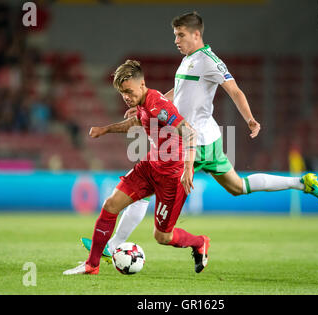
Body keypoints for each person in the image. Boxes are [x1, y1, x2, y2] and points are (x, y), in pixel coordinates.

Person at [82, 11, 318, 262]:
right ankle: (300, 183)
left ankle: (113, 245)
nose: (176, 40)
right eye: (175, 35)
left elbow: (234, 90)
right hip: (207, 140)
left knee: (145, 189)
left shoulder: (209, 61)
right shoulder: (188, 59)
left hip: (193, 142)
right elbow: (178, 93)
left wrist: (250, 119)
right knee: (238, 187)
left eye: (180, 35)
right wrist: (146, 105)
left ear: (196, 34)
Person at [63, 60, 210, 275]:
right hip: (151, 166)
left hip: (172, 175)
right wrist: (105, 130)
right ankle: (91, 265)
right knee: (111, 204)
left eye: (129, 91)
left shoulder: (157, 105)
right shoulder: (142, 104)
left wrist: (188, 168)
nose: (126, 97)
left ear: (142, 85)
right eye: (122, 93)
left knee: (163, 237)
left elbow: (189, 132)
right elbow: (138, 123)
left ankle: (199, 242)